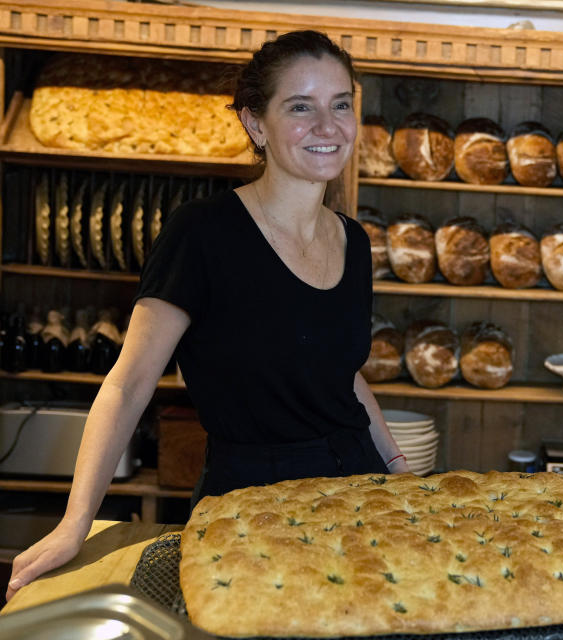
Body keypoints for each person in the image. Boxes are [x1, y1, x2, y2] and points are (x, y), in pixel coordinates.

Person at [6, 30, 408, 601]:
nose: (329, 125)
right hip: (251, 504)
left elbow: (341, 372)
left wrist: (396, 469)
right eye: (301, 107)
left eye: (340, 104)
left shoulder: (354, 241)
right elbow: (129, 384)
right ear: (255, 124)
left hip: (358, 493)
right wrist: (75, 523)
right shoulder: (203, 233)